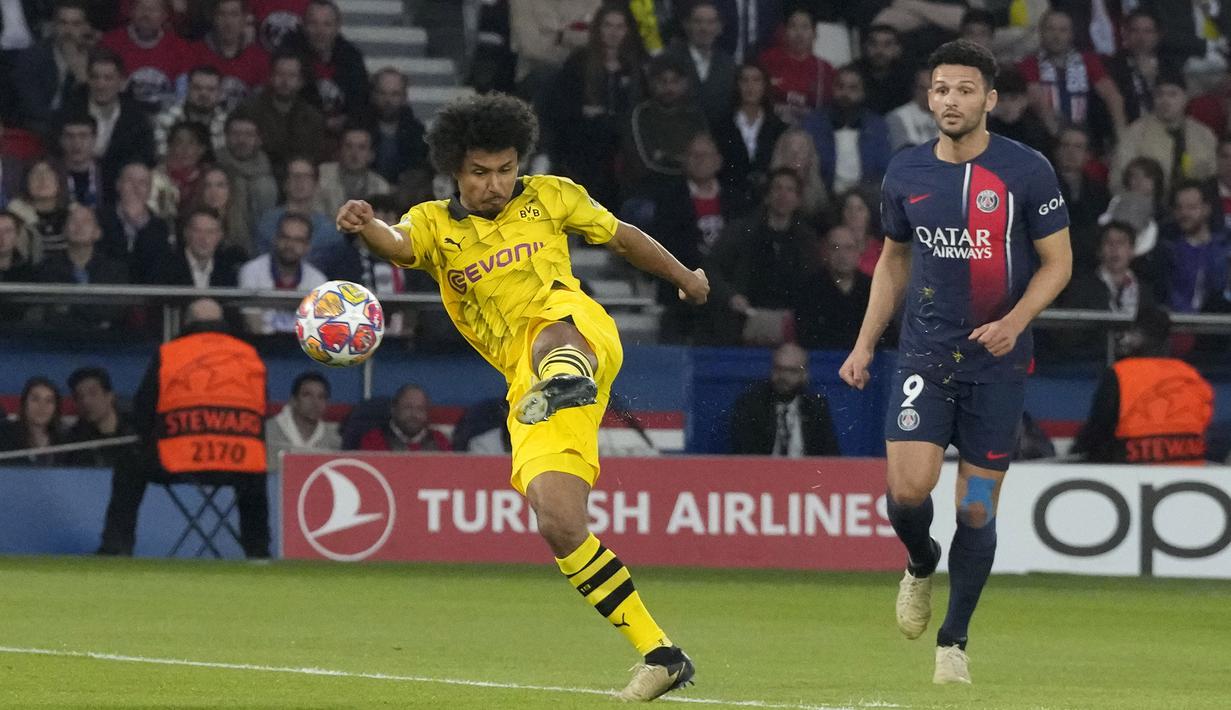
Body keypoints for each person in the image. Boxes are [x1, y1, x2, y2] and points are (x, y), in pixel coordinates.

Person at [335, 92, 707, 700]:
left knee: (550, 323)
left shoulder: (550, 195)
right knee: (558, 521)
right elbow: (398, 243)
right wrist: (366, 223)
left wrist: (685, 277)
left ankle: (566, 375)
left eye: (506, 168)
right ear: (455, 169)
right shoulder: (434, 224)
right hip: (528, 385)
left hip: (580, 333)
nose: (496, 183)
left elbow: (621, 236)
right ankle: (661, 652)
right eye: (481, 173)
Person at [839, 40, 1072, 685]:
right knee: (909, 491)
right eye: (941, 88)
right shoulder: (906, 172)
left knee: (975, 507)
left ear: (989, 100)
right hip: (925, 356)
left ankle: (954, 642)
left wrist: (1014, 323)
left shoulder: (1027, 172)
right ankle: (919, 562)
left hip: (997, 368)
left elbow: (1059, 264)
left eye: (965, 90)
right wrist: (863, 345)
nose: (951, 100)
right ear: (929, 95)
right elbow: (892, 261)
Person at [97, 298, 271, 558]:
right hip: (237, 464)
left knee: (129, 464)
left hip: (179, 461)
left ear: (186, 323)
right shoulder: (249, 354)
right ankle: (258, 553)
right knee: (255, 469)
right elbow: (261, 411)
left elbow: (144, 410)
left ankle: (116, 547)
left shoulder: (170, 353)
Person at [1072, 307, 1214, 464]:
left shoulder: (1121, 373)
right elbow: (1205, 426)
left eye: (1131, 332)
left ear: (1138, 334)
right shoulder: (1191, 375)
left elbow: (1097, 430)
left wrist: (1077, 451)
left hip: (1133, 471)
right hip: (1190, 469)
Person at [729, 342, 839, 456]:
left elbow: (830, 455)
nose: (783, 376)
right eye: (779, 369)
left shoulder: (816, 406)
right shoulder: (751, 404)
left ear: (804, 374)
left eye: (792, 371)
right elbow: (744, 454)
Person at [239, 211, 327, 334]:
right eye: (285, 237)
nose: (290, 245)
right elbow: (253, 325)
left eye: (298, 240)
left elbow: (314, 330)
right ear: (275, 239)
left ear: (307, 246)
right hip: (262, 346)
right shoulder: (252, 270)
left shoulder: (318, 279)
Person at [265, 371, 340, 473]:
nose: (315, 402)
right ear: (293, 400)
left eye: (321, 397)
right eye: (307, 395)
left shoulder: (336, 437)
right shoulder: (267, 432)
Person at [65, 366, 136, 467]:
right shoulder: (74, 441)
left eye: (92, 394)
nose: (86, 402)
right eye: (79, 397)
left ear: (110, 396)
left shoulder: (138, 430)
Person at [357, 384, 451, 452]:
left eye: (420, 409)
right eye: (407, 407)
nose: (414, 414)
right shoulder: (374, 440)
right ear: (394, 409)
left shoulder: (439, 441)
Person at [0, 376, 64, 466]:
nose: (42, 406)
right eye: (35, 399)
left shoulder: (65, 439)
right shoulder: (4, 434)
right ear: (24, 403)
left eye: (49, 401)